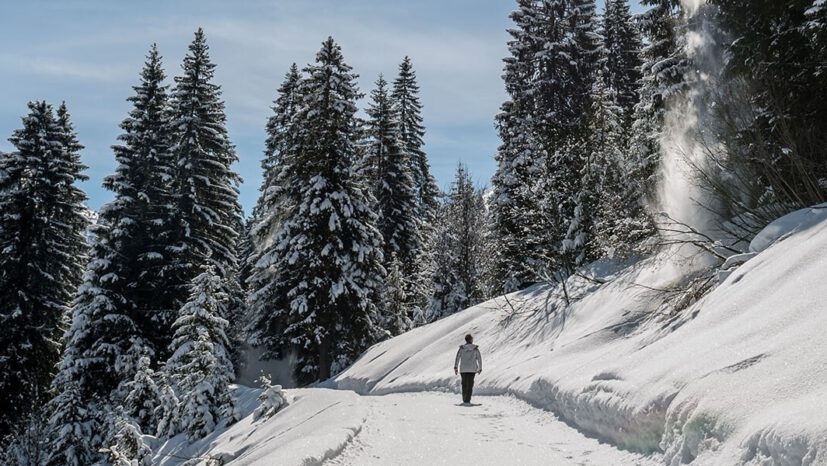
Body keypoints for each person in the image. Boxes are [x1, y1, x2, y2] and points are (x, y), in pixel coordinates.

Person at [454, 334, 482, 404]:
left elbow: (457, 358)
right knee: (470, 384)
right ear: (470, 340)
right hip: (472, 369)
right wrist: (480, 368)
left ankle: (464, 399)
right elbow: (479, 359)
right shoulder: (475, 349)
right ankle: (467, 399)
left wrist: (456, 367)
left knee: (464, 384)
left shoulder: (462, 348)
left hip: (463, 369)